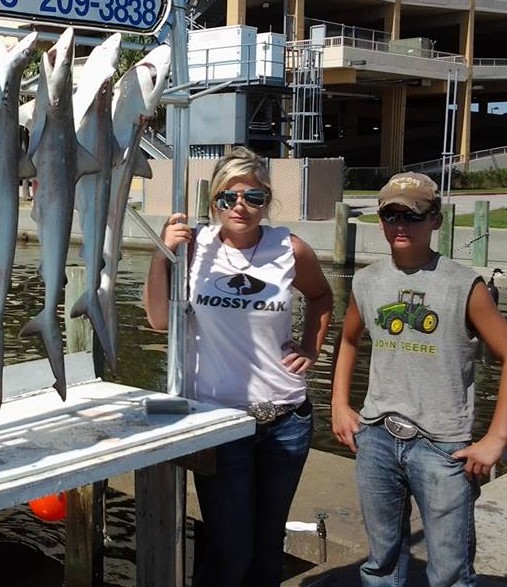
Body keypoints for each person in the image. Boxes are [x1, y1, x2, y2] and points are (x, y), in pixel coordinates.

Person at [143, 146, 333, 587]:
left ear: (267, 200)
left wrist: (310, 346)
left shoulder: (290, 249)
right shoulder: (195, 248)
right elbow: (157, 319)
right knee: (229, 553)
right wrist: (161, 254)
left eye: (253, 197)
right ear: (214, 202)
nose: (241, 207)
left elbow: (321, 297)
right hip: (219, 419)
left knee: (267, 551)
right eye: (229, 198)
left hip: (285, 418)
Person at [331, 172, 507, 586]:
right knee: (381, 563)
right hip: (376, 437)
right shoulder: (367, 280)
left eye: (411, 216)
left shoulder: (465, 286)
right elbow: (350, 339)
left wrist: (497, 438)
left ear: (435, 221)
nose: (399, 226)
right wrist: (339, 404)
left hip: (442, 445)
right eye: (390, 215)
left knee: (449, 571)